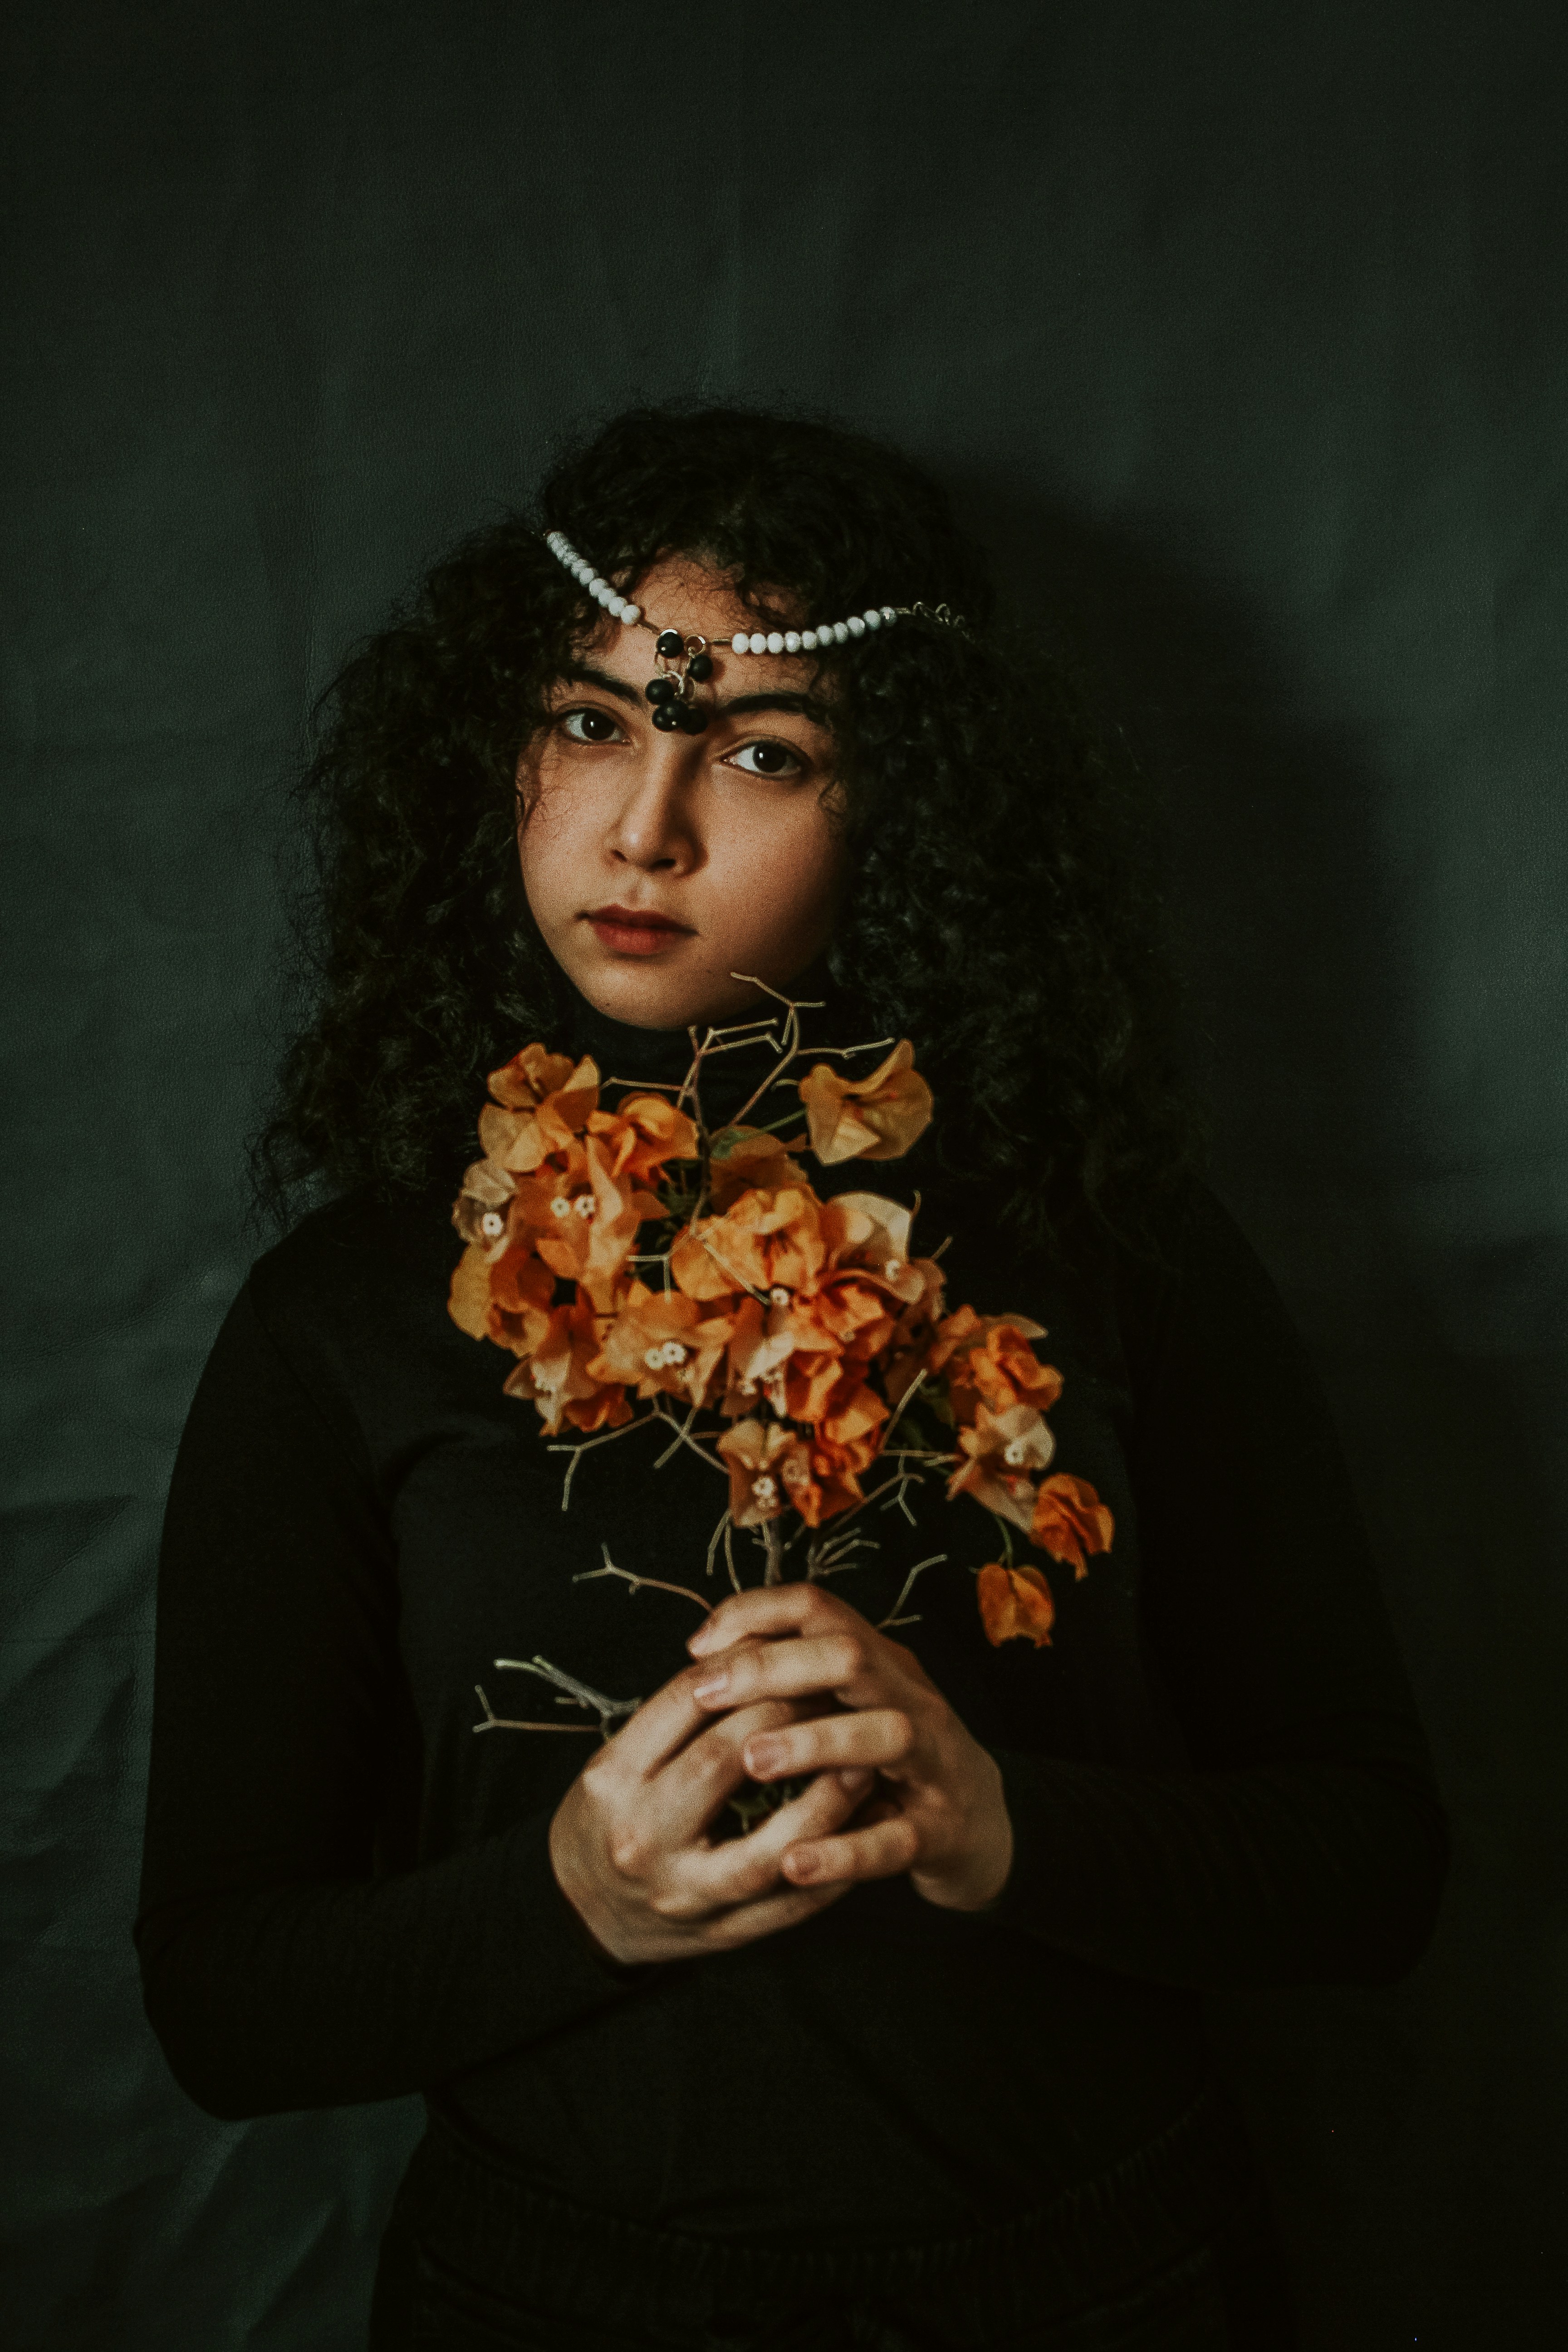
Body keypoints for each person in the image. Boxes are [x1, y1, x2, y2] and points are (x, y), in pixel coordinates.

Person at [133, 404, 1450, 2351]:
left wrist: (1004, 1826)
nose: (644, 828)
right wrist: (572, 1897)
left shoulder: (1109, 1246)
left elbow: (1373, 1873)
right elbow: (224, 2009)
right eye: (590, 721)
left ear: (901, 809)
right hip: (555, 2306)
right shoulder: (346, 1316)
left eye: (763, 753)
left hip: (1103, 2289)